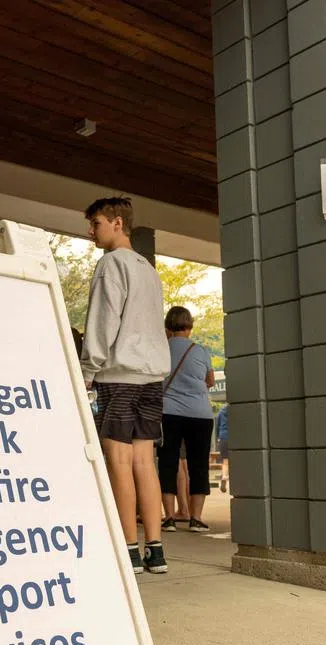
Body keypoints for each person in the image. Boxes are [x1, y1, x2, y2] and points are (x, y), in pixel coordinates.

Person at [80, 197, 171, 574]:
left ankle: (128, 549)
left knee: (118, 462)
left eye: (96, 223)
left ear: (117, 223)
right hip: (151, 377)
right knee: (144, 462)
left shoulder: (111, 264)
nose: (91, 232)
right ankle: (156, 549)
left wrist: (87, 370)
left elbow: (104, 322)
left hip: (118, 377)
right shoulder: (148, 269)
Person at [157, 306, 215, 533]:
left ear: (168, 327)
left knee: (168, 464)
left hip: (169, 413)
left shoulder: (160, 350)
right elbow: (209, 381)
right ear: (190, 326)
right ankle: (196, 518)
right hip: (200, 415)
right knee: (198, 465)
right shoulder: (200, 351)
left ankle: (169, 517)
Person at [215, 404, 230, 493]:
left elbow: (218, 426)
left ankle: (224, 476)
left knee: (225, 461)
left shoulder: (222, 410)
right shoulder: (235, 409)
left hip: (223, 437)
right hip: (234, 437)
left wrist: (218, 437)